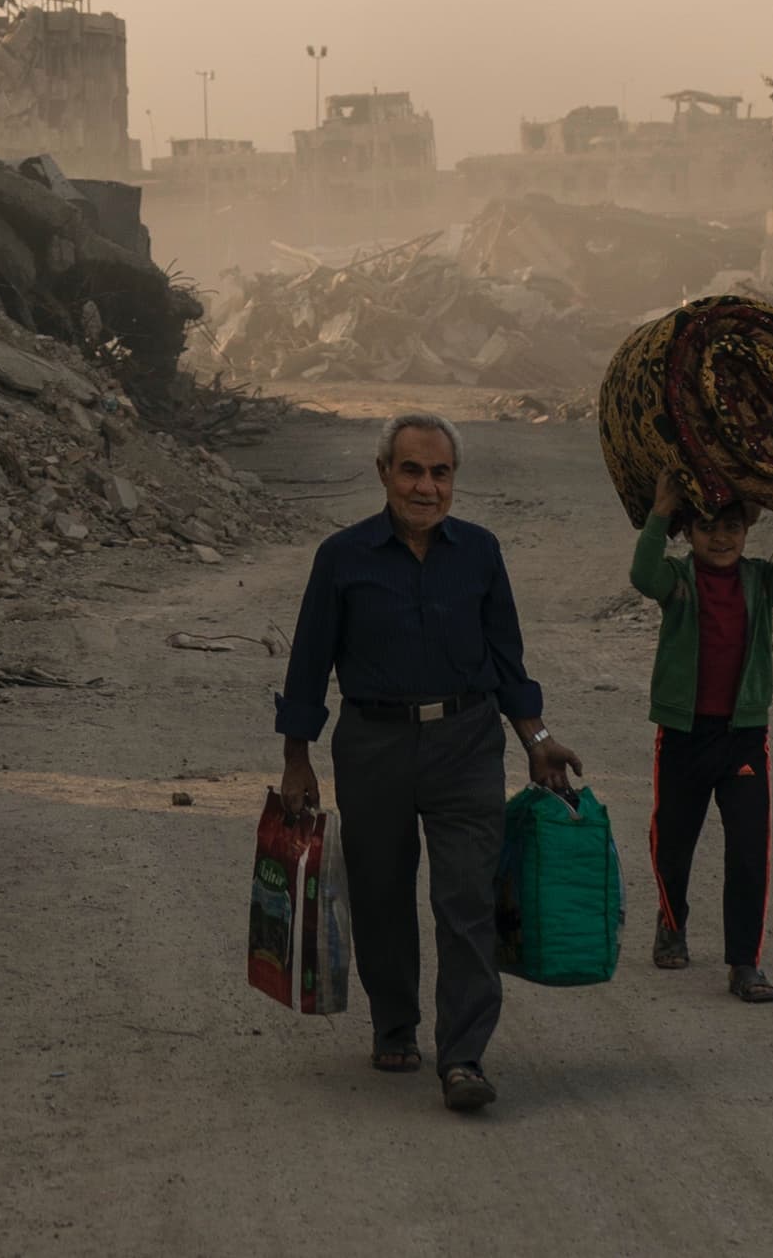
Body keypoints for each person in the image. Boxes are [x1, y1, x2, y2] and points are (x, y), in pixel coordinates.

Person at [275, 412, 581, 1113]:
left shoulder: (478, 552)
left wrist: (535, 741)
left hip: (466, 742)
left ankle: (464, 1054)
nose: (425, 486)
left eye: (439, 472)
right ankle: (394, 1025)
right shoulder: (342, 556)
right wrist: (297, 760)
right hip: (373, 744)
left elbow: (507, 658)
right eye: (411, 470)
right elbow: (307, 664)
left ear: (452, 481)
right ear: (383, 473)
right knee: (381, 894)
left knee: (466, 897)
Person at [631, 464, 773, 1003]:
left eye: (732, 528)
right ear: (688, 534)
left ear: (747, 532)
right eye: (706, 528)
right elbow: (642, 576)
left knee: (748, 850)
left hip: (743, 736)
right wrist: (661, 510)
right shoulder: (676, 580)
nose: (720, 538)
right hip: (683, 733)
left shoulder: (761, 581)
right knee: (673, 841)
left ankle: (745, 963)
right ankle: (671, 922)